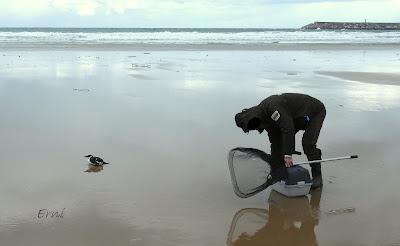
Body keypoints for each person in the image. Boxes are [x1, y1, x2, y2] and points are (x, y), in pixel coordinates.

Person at [235, 93, 326, 189]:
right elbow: (275, 143)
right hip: (297, 117)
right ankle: (283, 174)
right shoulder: (265, 121)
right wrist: (275, 168)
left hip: (314, 112)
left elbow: (288, 128)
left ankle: (317, 177)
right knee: (281, 146)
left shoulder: (272, 107)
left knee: (308, 144)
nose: (257, 129)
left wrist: (287, 155)